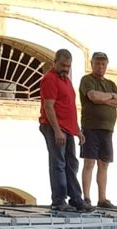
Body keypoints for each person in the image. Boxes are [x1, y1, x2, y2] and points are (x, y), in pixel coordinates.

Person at [38, 49, 88, 212]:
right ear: (55, 63)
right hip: (55, 127)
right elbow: (49, 107)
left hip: (68, 128)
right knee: (58, 163)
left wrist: (77, 130)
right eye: (63, 65)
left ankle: (76, 199)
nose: (65, 68)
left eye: (68, 66)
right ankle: (59, 200)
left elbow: (69, 108)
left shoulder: (66, 80)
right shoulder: (50, 79)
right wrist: (57, 131)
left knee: (71, 164)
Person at [78, 51, 117, 209]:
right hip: (91, 127)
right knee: (89, 162)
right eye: (97, 63)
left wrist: (104, 99)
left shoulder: (111, 83)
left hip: (108, 129)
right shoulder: (87, 80)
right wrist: (111, 96)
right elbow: (93, 97)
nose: (100, 66)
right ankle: (86, 197)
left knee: (104, 163)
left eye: (103, 64)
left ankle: (102, 198)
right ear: (92, 64)